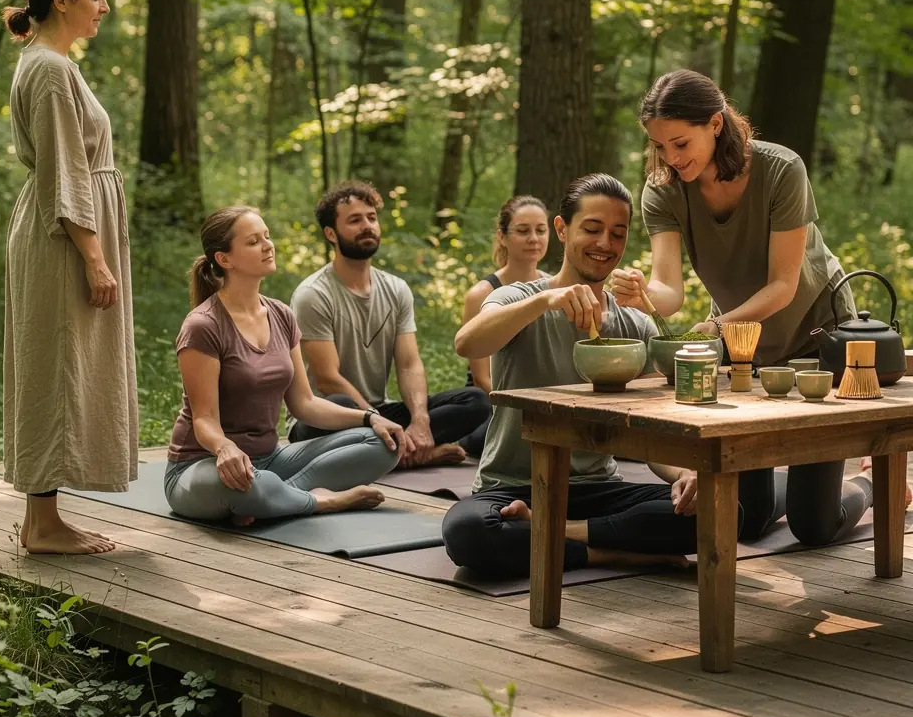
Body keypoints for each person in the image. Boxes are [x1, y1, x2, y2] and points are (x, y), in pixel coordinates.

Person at [609, 68, 892, 546]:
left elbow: (782, 286)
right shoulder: (662, 191)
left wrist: (716, 325)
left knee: (815, 524)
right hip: (747, 344)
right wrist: (641, 293)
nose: (670, 158)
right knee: (750, 516)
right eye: (659, 147)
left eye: (680, 144)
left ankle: (873, 484)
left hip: (820, 339)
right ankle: (799, 491)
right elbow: (669, 294)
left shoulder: (782, 169)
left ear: (715, 124)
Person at [443, 174, 702, 578]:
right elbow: (467, 343)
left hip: (599, 489)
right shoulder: (518, 298)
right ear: (562, 230)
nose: (605, 245)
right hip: (512, 487)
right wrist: (547, 300)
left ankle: (551, 532)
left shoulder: (633, 323)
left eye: (617, 234)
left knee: (719, 511)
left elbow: (658, 431)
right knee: (469, 532)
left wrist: (686, 473)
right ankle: (613, 553)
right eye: (593, 229)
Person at [1, 0, 136, 556]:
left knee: (61, 362)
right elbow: (65, 168)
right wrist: (94, 256)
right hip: (65, 235)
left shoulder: (49, 62)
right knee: (56, 365)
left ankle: (44, 517)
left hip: (64, 228)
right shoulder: (50, 70)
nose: (104, 7)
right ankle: (44, 524)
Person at [165, 206, 410, 524]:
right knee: (247, 484)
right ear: (224, 259)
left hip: (270, 460)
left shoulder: (281, 315)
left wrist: (369, 418)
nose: (268, 245)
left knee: (384, 443)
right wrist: (225, 448)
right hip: (203, 465)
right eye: (254, 241)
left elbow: (305, 404)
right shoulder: (203, 325)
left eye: (267, 236)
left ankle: (271, 499)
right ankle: (318, 501)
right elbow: (205, 420)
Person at [288, 181, 491, 467]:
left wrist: (420, 421)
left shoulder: (396, 289)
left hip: (380, 410)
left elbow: (409, 364)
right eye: (355, 220)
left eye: (371, 218)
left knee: (476, 401)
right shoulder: (313, 294)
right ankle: (410, 455)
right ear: (330, 233)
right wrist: (374, 419)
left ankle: (393, 453)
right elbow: (327, 379)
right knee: (339, 403)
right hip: (326, 418)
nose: (367, 226)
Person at [459, 195, 550, 455]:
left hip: (544, 399)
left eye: (541, 230)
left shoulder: (557, 287)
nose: (534, 238)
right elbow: (482, 378)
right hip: (494, 402)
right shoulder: (480, 294)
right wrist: (527, 408)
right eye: (523, 231)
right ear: (502, 236)